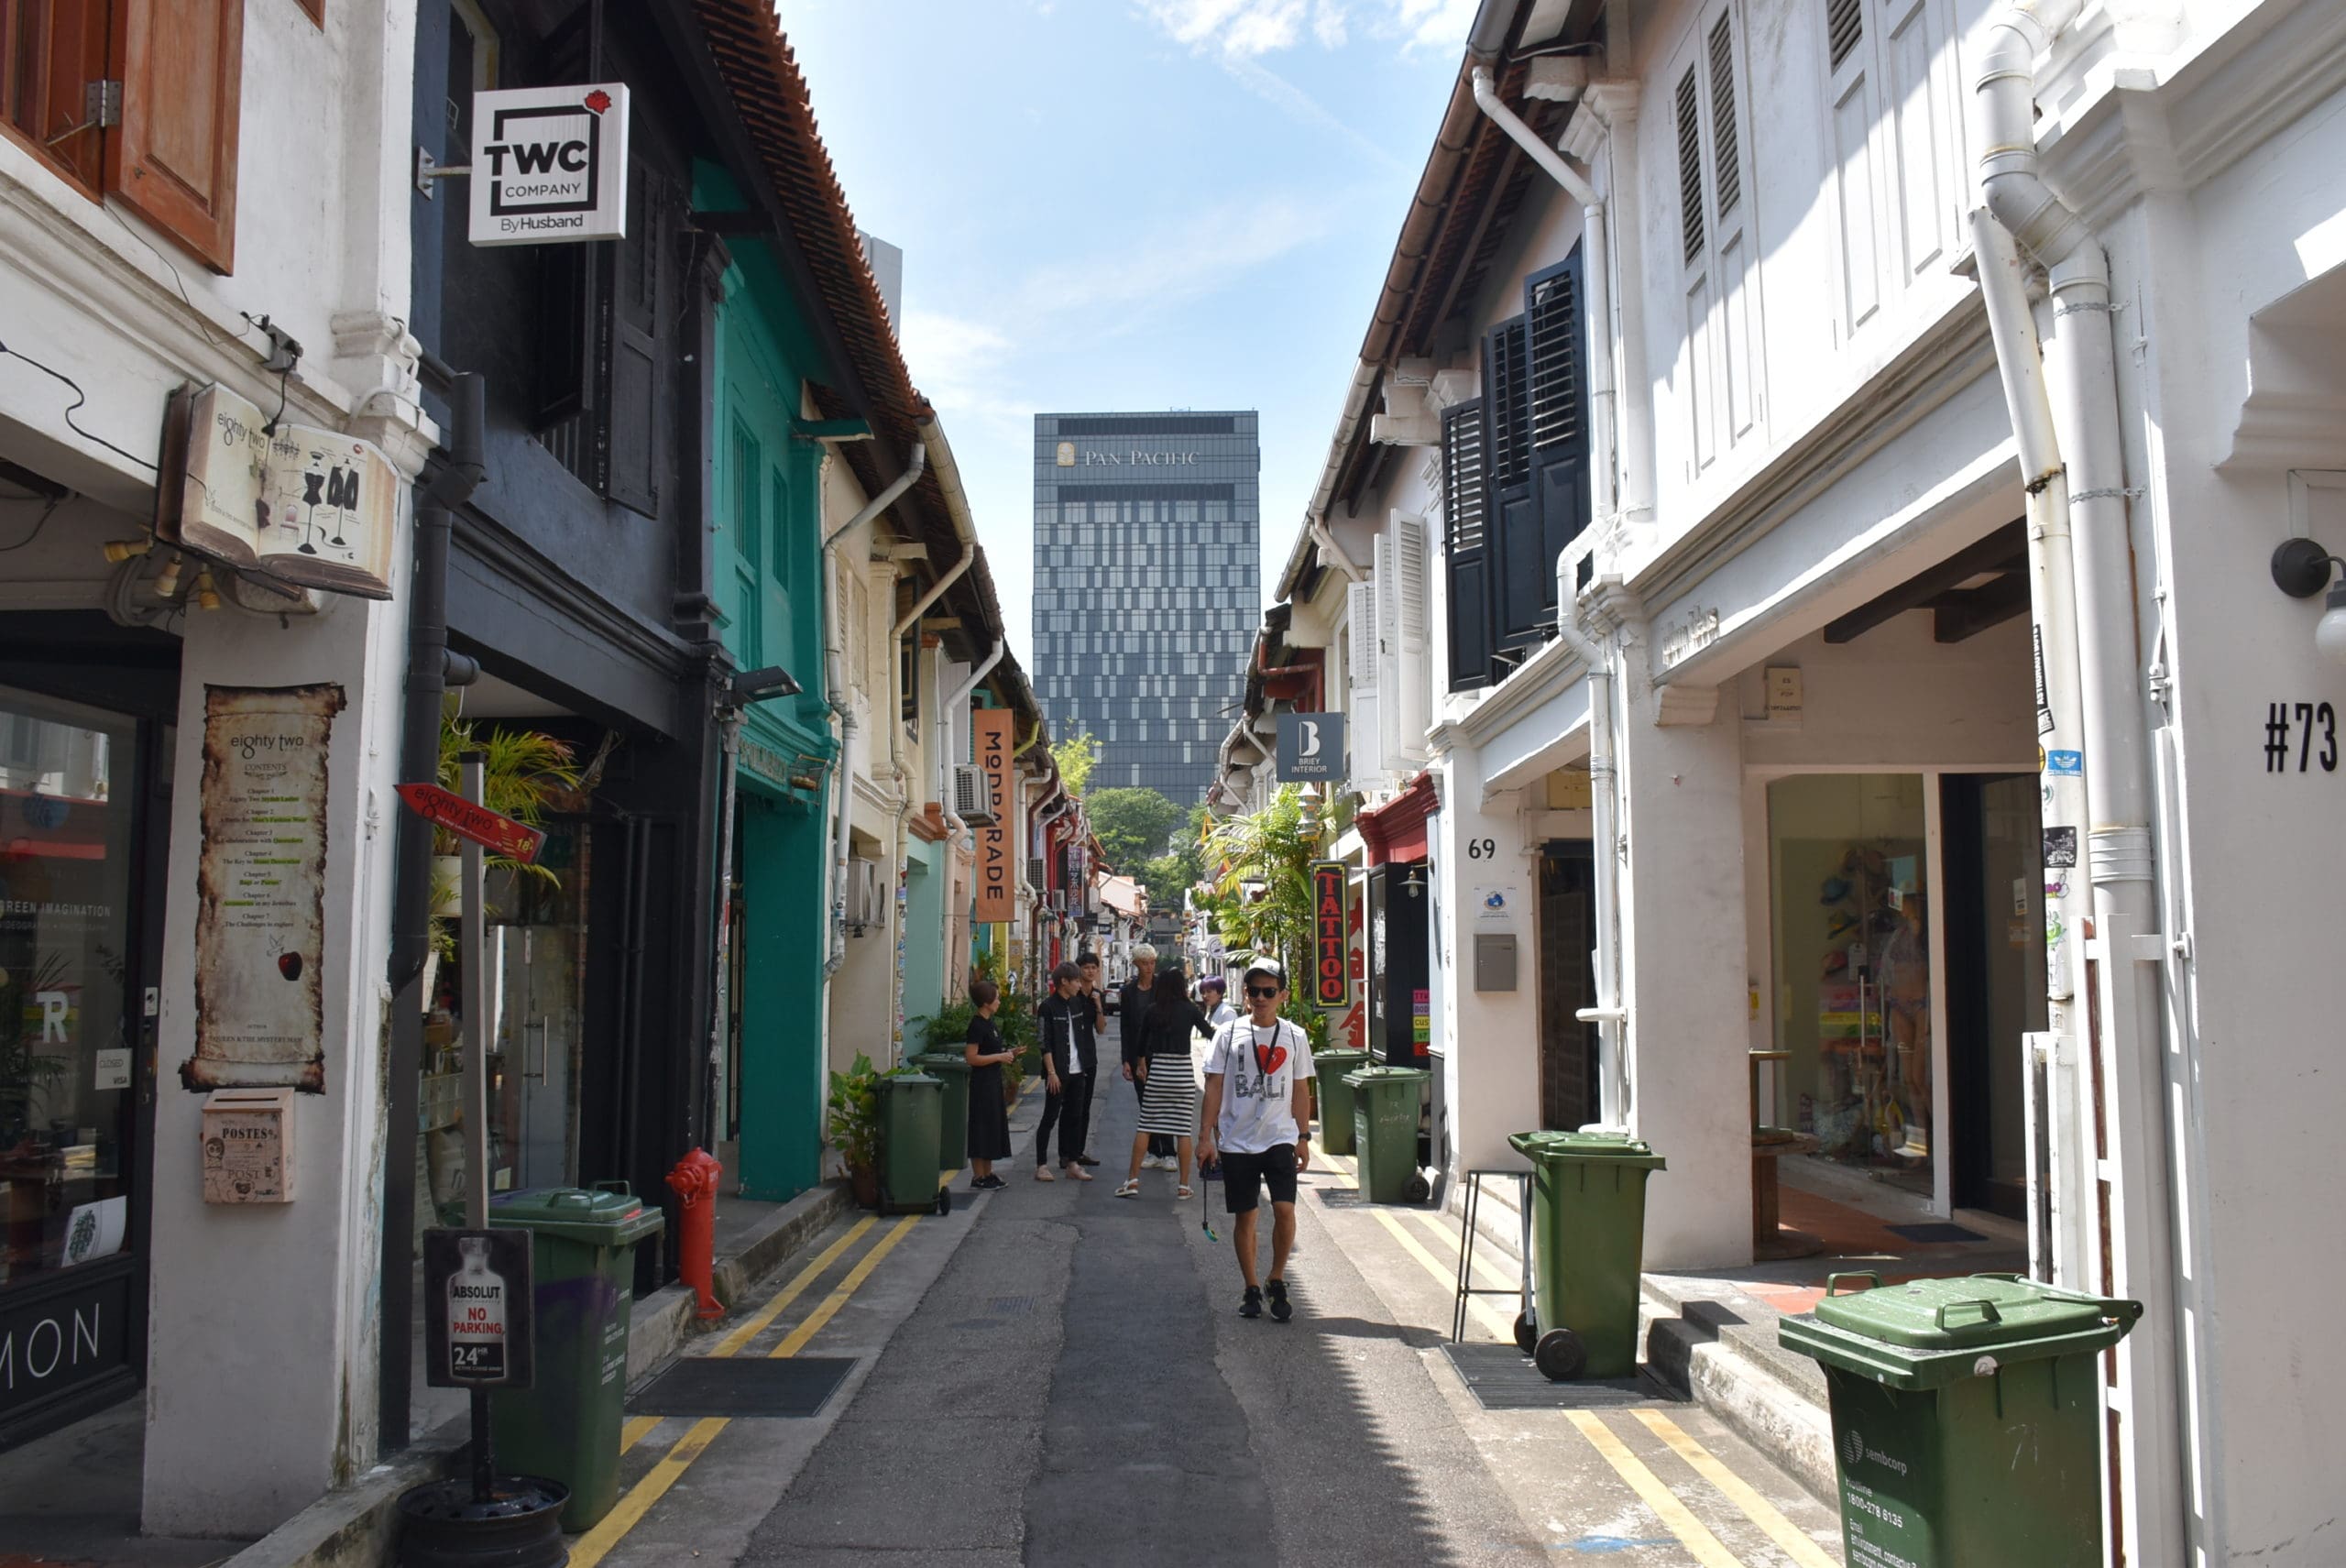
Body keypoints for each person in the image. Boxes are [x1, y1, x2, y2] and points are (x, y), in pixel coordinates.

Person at [1199, 962, 1316, 1321]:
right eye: (1254, 992)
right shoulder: (1227, 1034)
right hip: (1236, 1140)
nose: (1261, 998)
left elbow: (1300, 1088)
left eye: (1269, 991)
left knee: (1284, 1210)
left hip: (1279, 1137)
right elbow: (1214, 1086)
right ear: (1245, 995)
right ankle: (1251, 1286)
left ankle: (1276, 1278)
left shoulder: (1295, 1036)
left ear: (1282, 995)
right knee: (1246, 1217)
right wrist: (1205, 1137)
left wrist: (1303, 1136)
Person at [1115, 964, 1210, 1201]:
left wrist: (1141, 1064)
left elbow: (1140, 1043)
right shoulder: (1189, 1009)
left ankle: (1133, 1180)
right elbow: (1210, 1033)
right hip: (1182, 1073)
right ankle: (1184, 1186)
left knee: (1145, 1126)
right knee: (1183, 1130)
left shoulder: (1152, 1010)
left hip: (1158, 1071)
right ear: (1181, 987)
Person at [1033, 962, 1097, 1182]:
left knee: (1074, 1118)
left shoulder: (1077, 1003)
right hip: (1058, 1072)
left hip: (1078, 1070)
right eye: (1077, 980)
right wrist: (1051, 1072)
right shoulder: (1048, 1007)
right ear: (1064, 982)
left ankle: (1072, 1163)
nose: (1080, 984)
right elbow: (1044, 1042)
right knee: (1050, 1117)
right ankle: (1041, 1165)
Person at [1119, 944, 1176, 1168]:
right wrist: (1126, 1060)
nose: (1149, 967)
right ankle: (1153, 1151)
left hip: (1162, 1053)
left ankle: (1169, 1152)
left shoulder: (1164, 987)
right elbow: (1125, 1027)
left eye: (1152, 962)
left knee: (1164, 1103)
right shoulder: (1128, 992)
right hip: (1137, 1056)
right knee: (1146, 1105)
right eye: (1145, 963)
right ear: (1135, 964)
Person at [962, 979, 1015, 1190]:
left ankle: (988, 1172)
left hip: (993, 1081)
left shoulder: (990, 1023)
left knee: (993, 1125)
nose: (999, 1002)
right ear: (986, 1002)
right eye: (997, 998)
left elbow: (992, 1052)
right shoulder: (976, 1025)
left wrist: (1009, 1054)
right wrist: (999, 1057)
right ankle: (978, 1176)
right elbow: (972, 1058)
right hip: (982, 1084)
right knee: (981, 1127)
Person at [1072, 952, 1110, 1167]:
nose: (1090, 971)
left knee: (1085, 1106)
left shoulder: (1097, 995)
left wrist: (1098, 1005)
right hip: (1072, 1057)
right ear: (1079, 970)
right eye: (1086, 967)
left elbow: (1101, 1029)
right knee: (1072, 1107)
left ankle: (1079, 1152)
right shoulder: (1073, 996)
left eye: (1093, 968)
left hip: (1089, 1057)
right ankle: (1067, 1153)